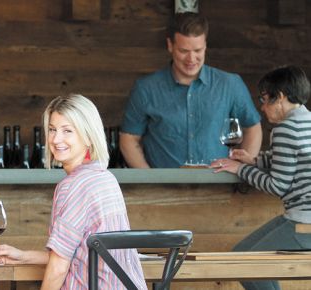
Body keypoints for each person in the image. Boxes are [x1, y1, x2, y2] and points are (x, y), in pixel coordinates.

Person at [0, 94, 147, 289]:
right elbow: (75, 254)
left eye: (67, 131)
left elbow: (59, 267)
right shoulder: (106, 179)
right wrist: (23, 257)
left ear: (88, 136)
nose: (56, 139)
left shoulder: (74, 186)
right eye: (52, 130)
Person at [120, 12, 262, 168]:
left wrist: (242, 170)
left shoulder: (230, 84)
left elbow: (253, 129)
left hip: (220, 186)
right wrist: (150, 182)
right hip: (164, 188)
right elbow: (129, 140)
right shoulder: (146, 88)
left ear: (205, 45)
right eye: (184, 51)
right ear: (170, 45)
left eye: (198, 50)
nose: (191, 59)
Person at [212, 65, 311, 290]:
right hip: (301, 220)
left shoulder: (286, 128)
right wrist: (253, 160)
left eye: (265, 100)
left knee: (245, 264)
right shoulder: (307, 121)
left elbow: (277, 185)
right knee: (241, 256)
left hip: (304, 223)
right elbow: (294, 159)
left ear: (281, 97)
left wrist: (239, 169)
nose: (263, 108)